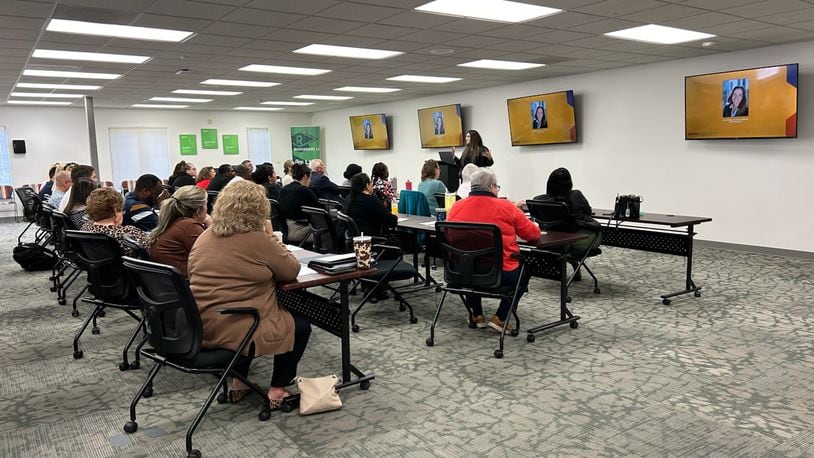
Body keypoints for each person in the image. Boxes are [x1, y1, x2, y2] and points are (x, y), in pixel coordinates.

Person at [188, 180, 309, 409]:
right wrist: (270, 234)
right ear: (259, 209)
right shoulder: (258, 240)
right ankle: (277, 389)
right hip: (241, 325)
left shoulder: (204, 237)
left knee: (247, 316)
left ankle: (238, 384)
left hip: (202, 323)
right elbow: (291, 270)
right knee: (300, 326)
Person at [447, 168, 541, 331]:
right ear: (491, 186)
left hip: (461, 273)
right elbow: (532, 235)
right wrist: (536, 226)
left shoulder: (456, 207)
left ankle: (477, 315)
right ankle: (500, 317)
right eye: (497, 187)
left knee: (470, 257)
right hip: (501, 274)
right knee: (525, 269)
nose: (497, 190)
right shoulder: (507, 207)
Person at [533, 167, 602, 261]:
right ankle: (571, 259)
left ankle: (571, 261)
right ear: (569, 183)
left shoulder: (538, 200)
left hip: (549, 240)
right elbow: (588, 213)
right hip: (576, 240)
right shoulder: (575, 195)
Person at [148, 186, 211, 278]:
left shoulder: (174, 221)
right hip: (186, 284)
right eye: (206, 205)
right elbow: (213, 257)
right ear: (199, 210)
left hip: (168, 283)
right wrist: (211, 225)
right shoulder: (190, 227)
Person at [81, 187, 150, 257]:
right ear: (116, 212)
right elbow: (150, 250)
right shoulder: (128, 232)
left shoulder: (85, 228)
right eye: (122, 210)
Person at [343, 172, 397, 237]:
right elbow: (391, 220)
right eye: (370, 183)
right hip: (370, 240)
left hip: (352, 239)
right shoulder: (371, 200)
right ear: (367, 185)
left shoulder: (348, 198)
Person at [279, 163, 320, 243]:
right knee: (327, 231)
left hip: (284, 229)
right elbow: (319, 212)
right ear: (305, 176)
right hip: (298, 230)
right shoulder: (304, 190)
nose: (310, 181)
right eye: (310, 178)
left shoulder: (284, 189)